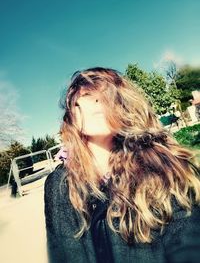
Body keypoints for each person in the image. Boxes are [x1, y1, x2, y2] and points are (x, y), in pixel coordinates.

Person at [44, 67, 200, 263]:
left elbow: (188, 244)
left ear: (122, 103)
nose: (92, 104)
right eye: (79, 100)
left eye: (101, 96)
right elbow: (62, 252)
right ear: (72, 116)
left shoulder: (164, 167)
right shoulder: (59, 185)